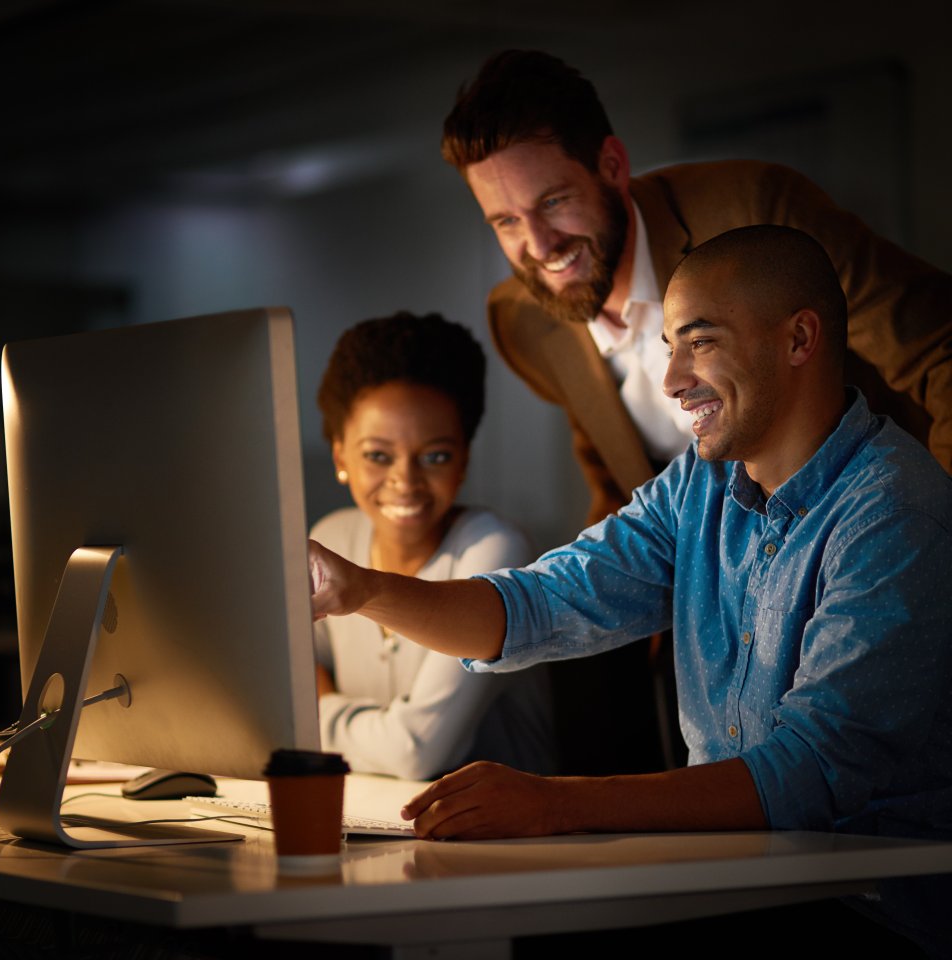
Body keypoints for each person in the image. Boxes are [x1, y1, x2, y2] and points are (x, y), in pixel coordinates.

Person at [309, 228, 952, 953]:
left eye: (699, 343)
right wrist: (357, 590)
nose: (672, 380)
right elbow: (540, 605)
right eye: (670, 347)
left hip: (869, 912)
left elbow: (806, 776)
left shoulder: (895, 509)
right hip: (733, 886)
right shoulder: (698, 484)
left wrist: (554, 804)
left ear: (799, 338)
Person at [441, 49, 952, 524]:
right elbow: (619, 488)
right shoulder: (522, 320)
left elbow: (939, 348)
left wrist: (932, 533)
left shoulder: (756, 209)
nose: (539, 244)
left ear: (613, 166)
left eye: (553, 202)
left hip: (877, 524)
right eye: (506, 222)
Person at [311, 311, 555, 781]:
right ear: (341, 456)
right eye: (378, 456)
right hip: (370, 824)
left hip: (511, 845)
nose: (406, 481)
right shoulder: (332, 540)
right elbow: (275, 697)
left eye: (435, 456)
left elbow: (415, 754)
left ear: (463, 458)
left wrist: (312, 716)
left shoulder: (494, 550)